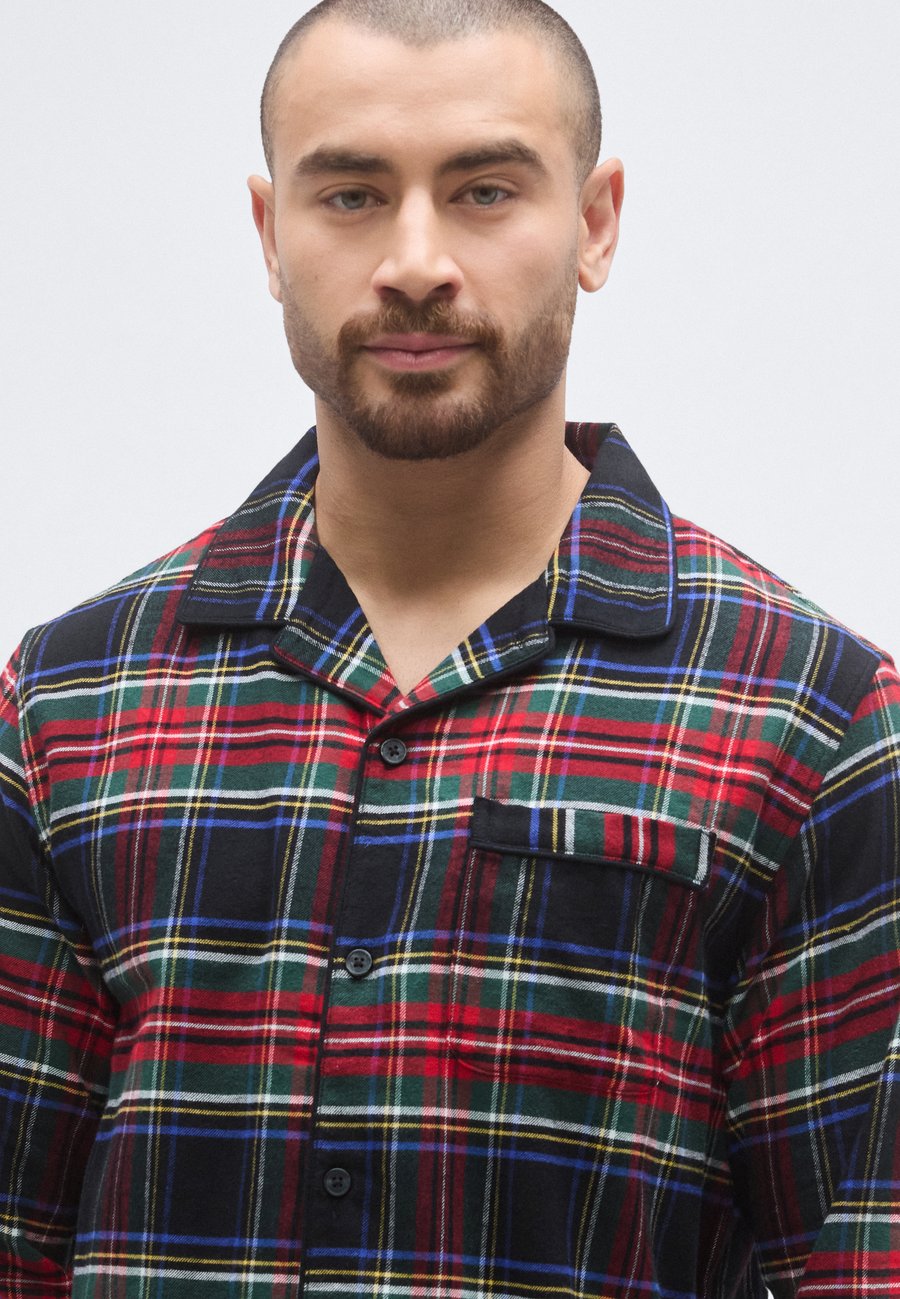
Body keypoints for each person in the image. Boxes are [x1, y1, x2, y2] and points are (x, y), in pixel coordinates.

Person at [0, 0, 897, 1295]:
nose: (415, 262)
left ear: (595, 223)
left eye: (483, 190)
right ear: (270, 234)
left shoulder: (810, 719)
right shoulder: (69, 707)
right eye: (352, 196)